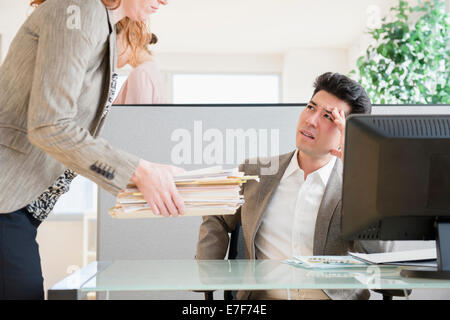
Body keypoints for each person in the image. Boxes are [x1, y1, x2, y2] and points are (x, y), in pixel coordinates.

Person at [0, 0, 181, 300]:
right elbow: (51, 125)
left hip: (20, 207)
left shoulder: (102, 26)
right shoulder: (78, 9)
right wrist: (138, 171)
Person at [196, 72, 393, 300]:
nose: (311, 120)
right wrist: (207, 275)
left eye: (329, 116)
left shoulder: (357, 184)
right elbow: (217, 215)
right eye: (311, 107)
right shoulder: (256, 171)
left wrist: (355, 170)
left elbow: (383, 257)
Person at [114, 19, 167, 104]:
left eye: (113, 41)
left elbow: (136, 116)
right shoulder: (150, 71)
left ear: (131, 37)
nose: (109, 50)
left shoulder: (141, 73)